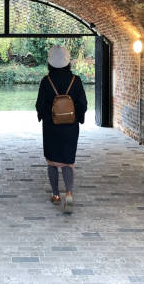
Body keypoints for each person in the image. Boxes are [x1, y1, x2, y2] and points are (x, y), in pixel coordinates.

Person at [35, 45, 87, 212]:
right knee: (68, 162)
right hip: (70, 128)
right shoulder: (76, 80)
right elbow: (83, 105)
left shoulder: (46, 81)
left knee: (52, 162)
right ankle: (69, 194)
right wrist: (77, 117)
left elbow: (40, 105)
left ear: (50, 62)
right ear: (68, 61)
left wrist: (44, 115)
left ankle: (56, 195)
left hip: (51, 127)